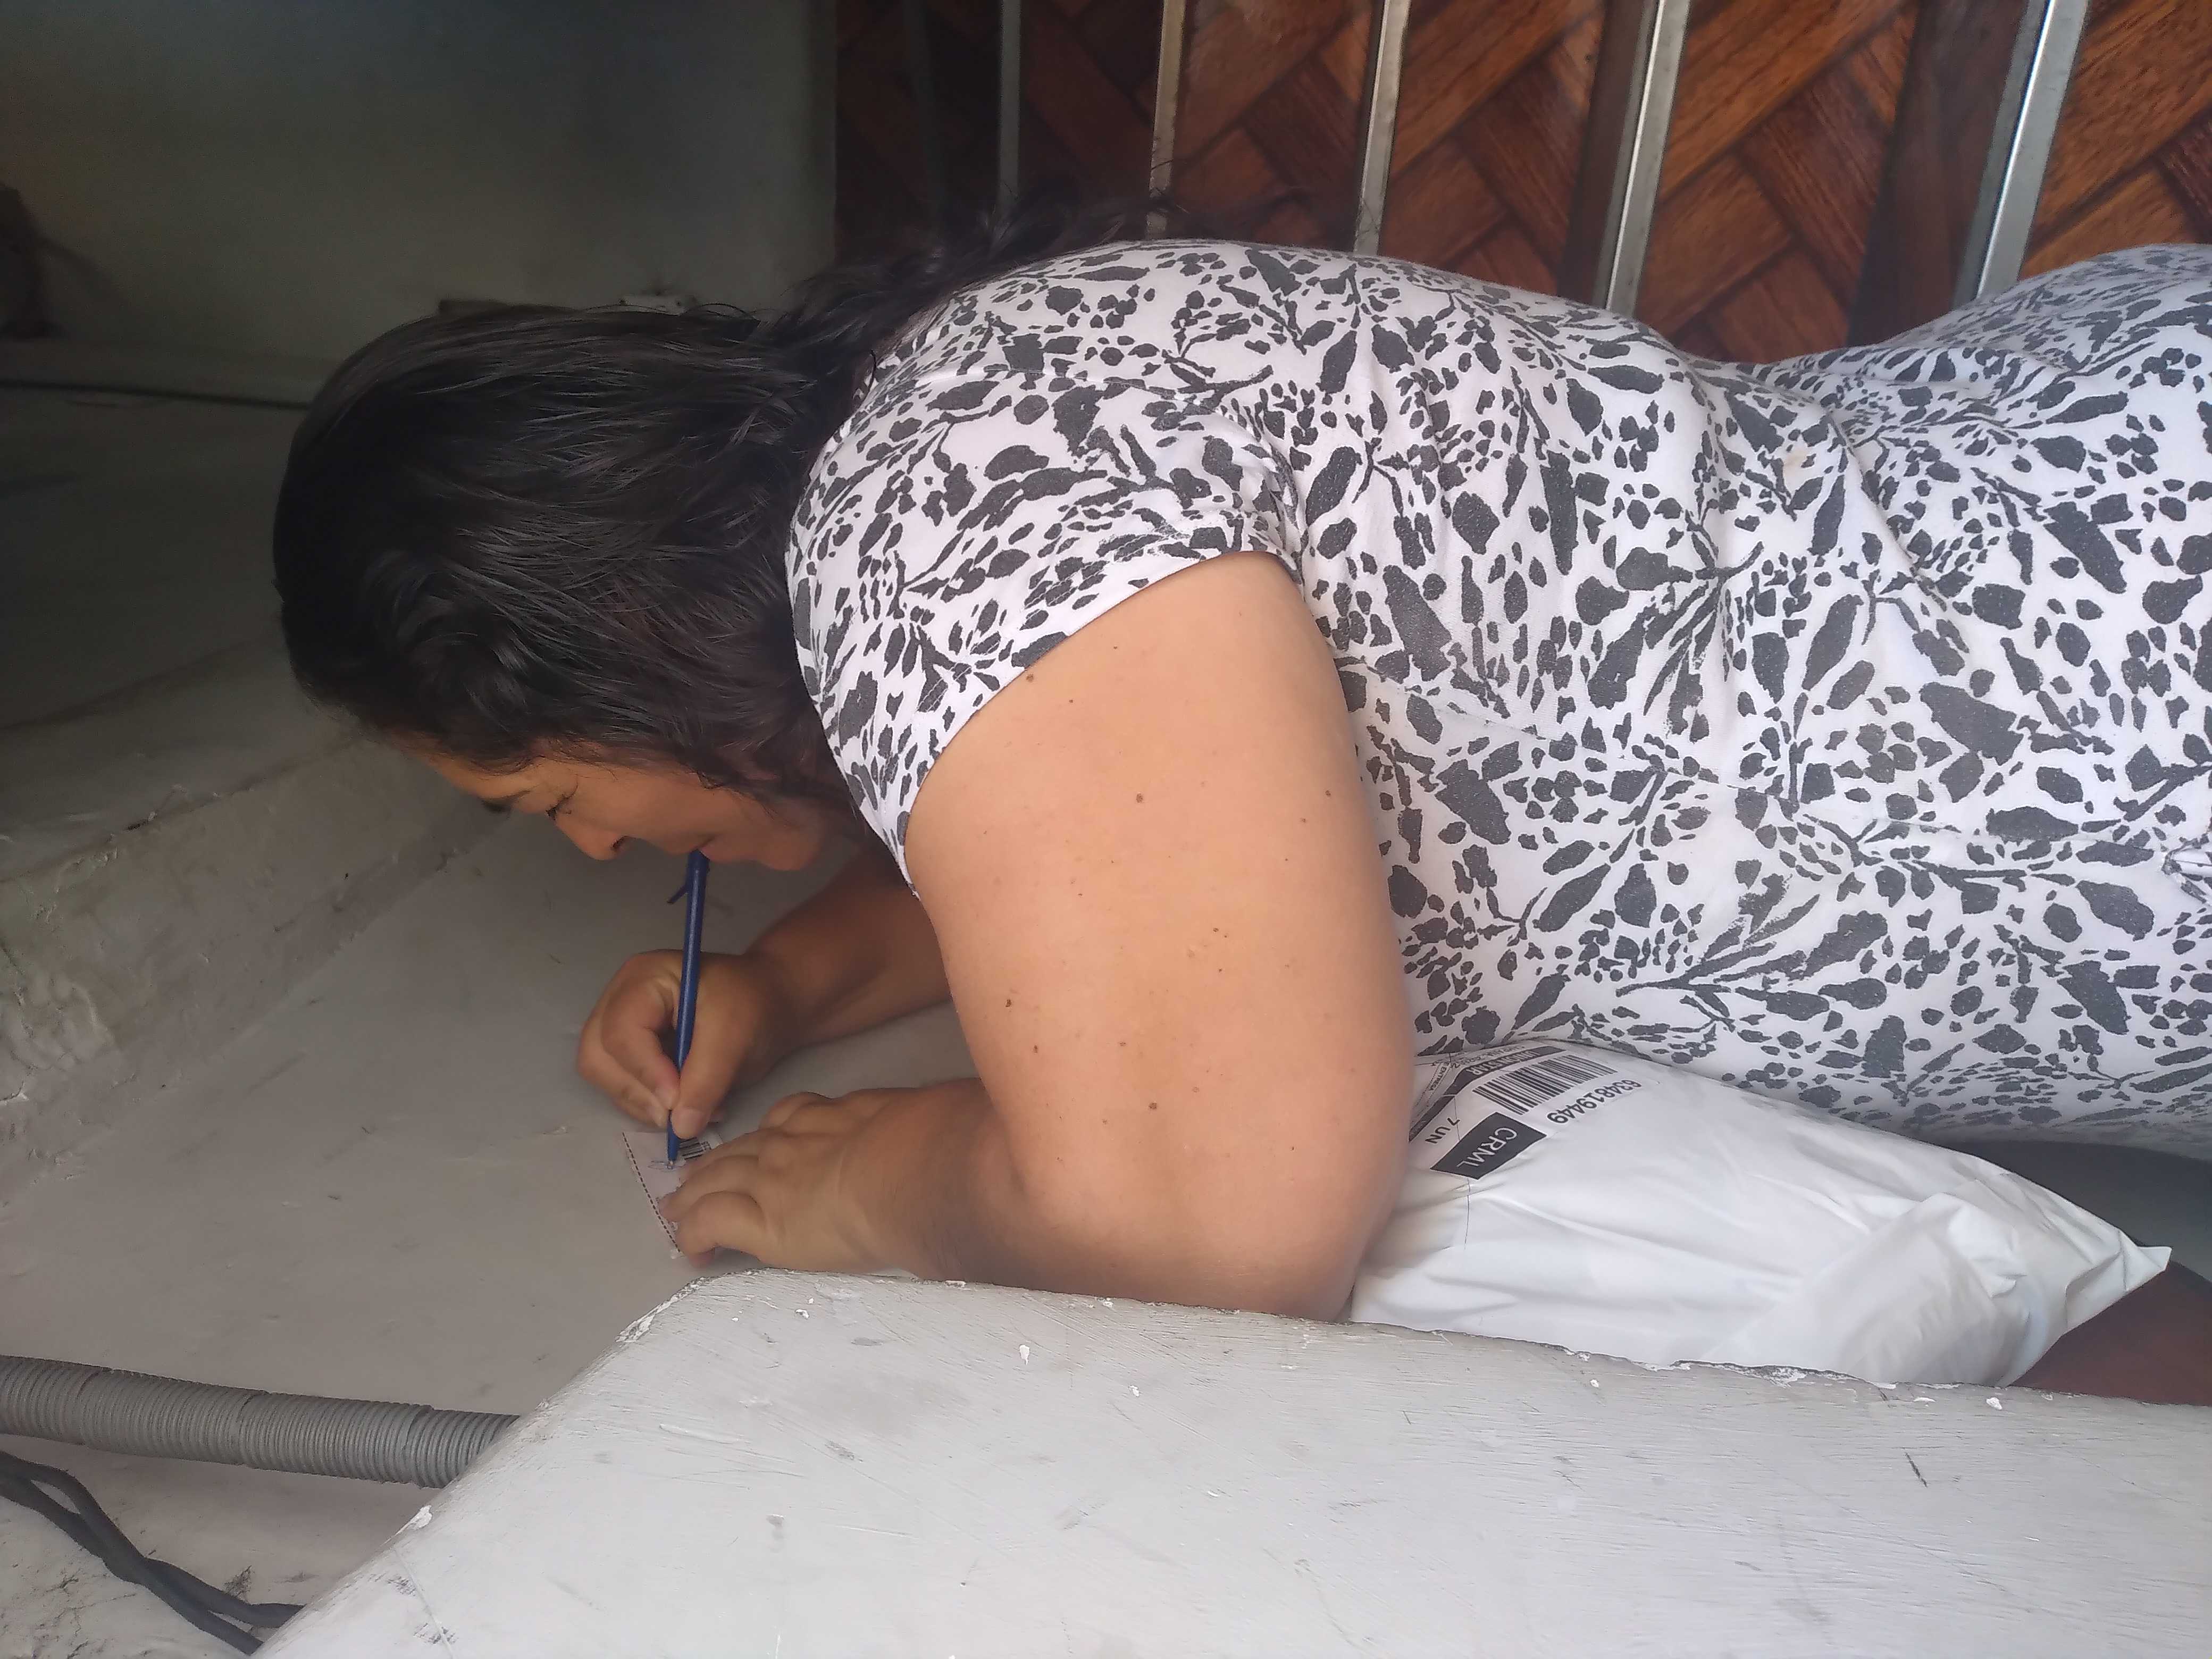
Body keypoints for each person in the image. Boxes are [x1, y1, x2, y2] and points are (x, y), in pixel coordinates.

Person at [273, 198, 2212, 1320]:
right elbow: (1144, 838)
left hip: (2129, 655)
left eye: (547, 799)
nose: (590, 849)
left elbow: (1213, 1224)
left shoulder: (944, 521)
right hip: (2072, 461)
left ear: (607, 655)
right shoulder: (958, 415)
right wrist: (787, 986)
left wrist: (886, 1185)